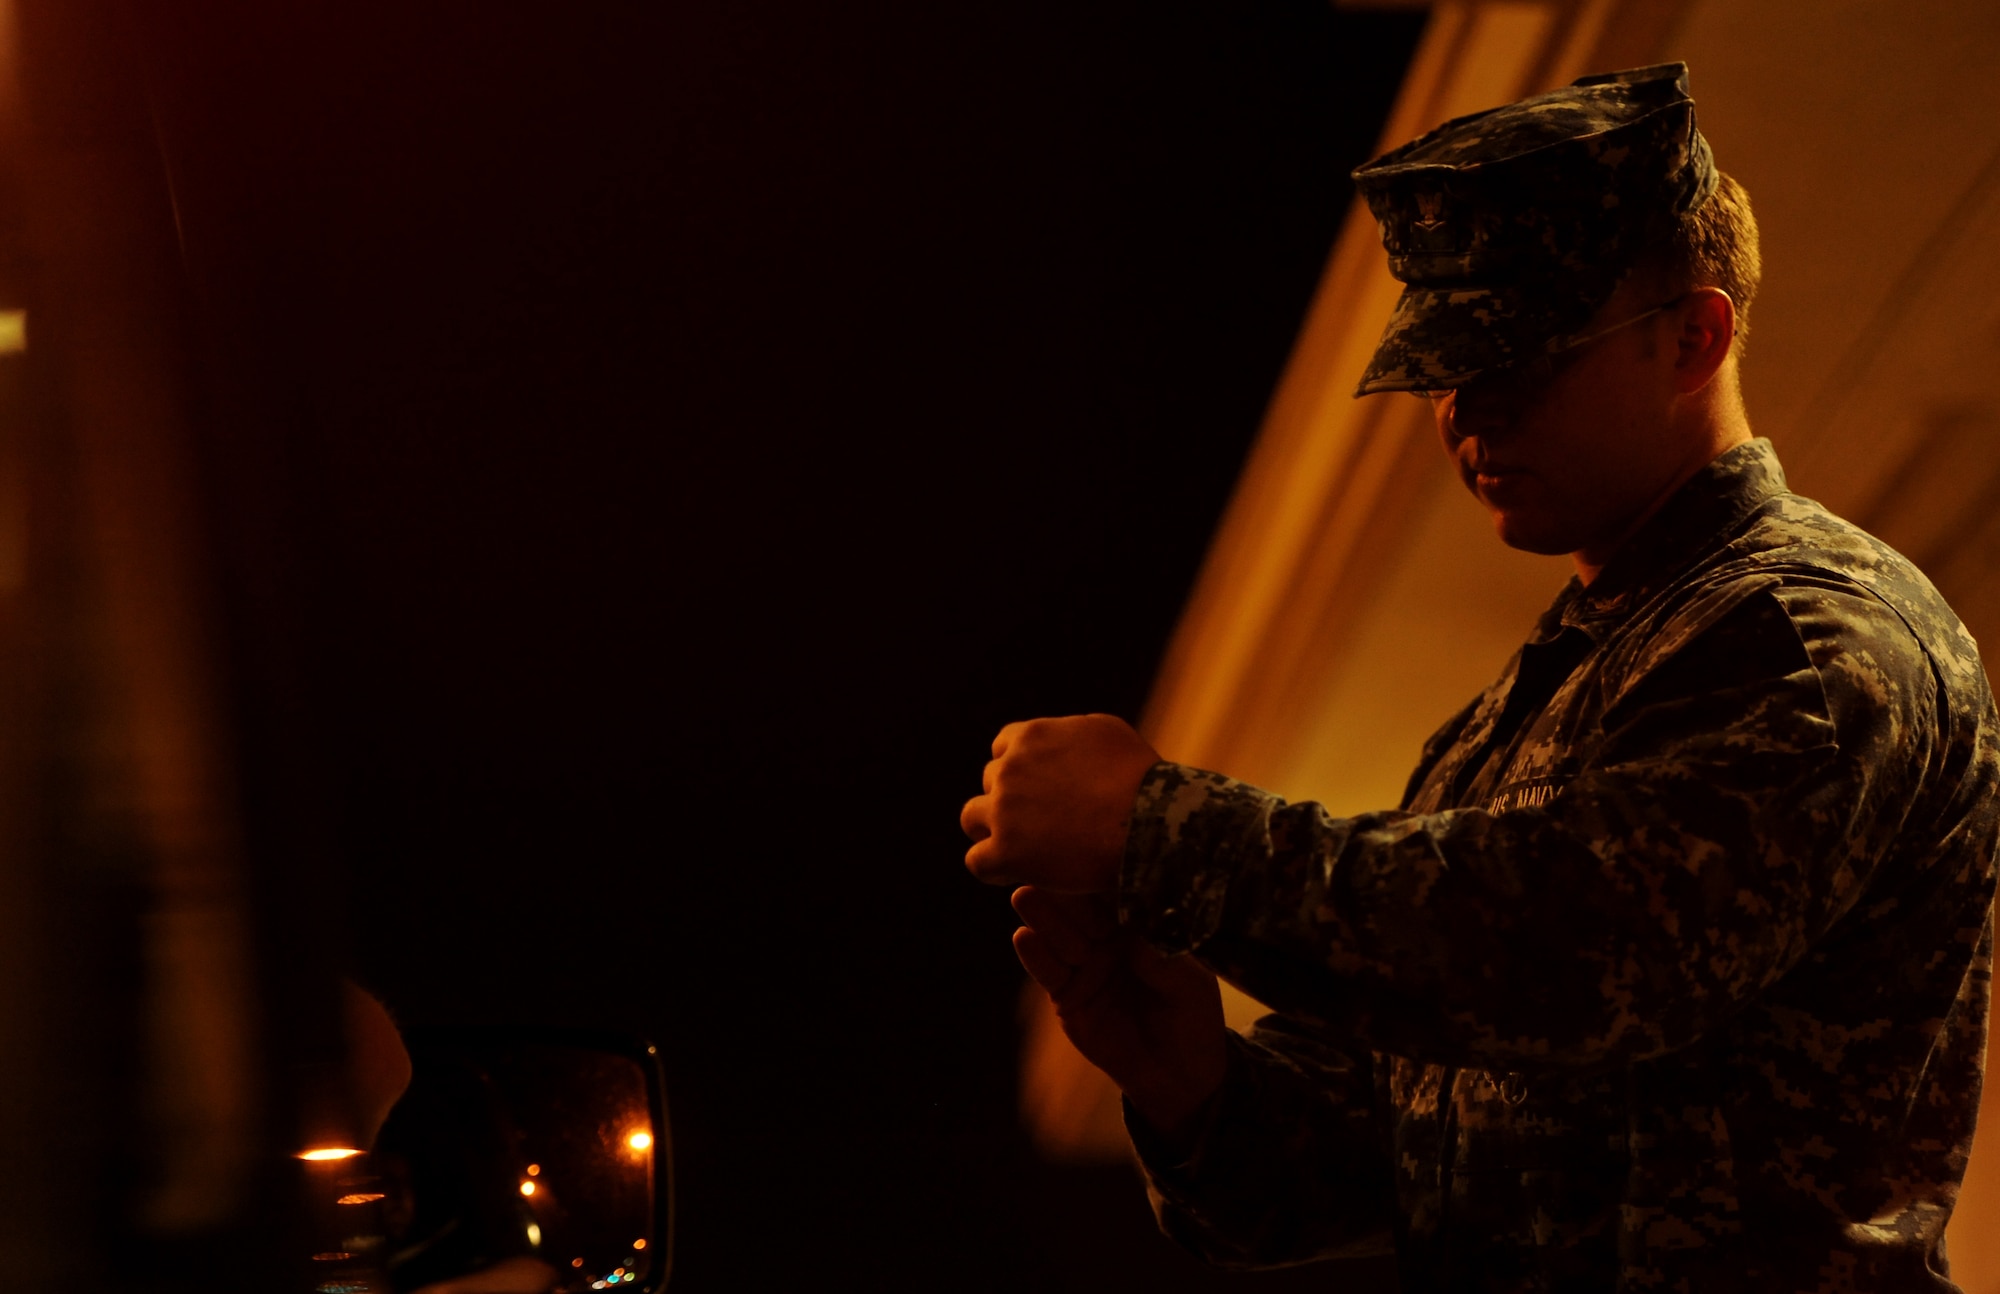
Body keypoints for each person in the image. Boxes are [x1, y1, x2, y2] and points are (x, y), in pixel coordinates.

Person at [960, 64, 2000, 1290]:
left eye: (1517, 361)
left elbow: (1575, 955)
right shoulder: (1516, 712)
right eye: (1444, 367)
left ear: (1692, 334)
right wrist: (1188, 1075)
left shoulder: (1809, 635)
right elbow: (1384, 1162)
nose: (1465, 412)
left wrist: (1162, 832)